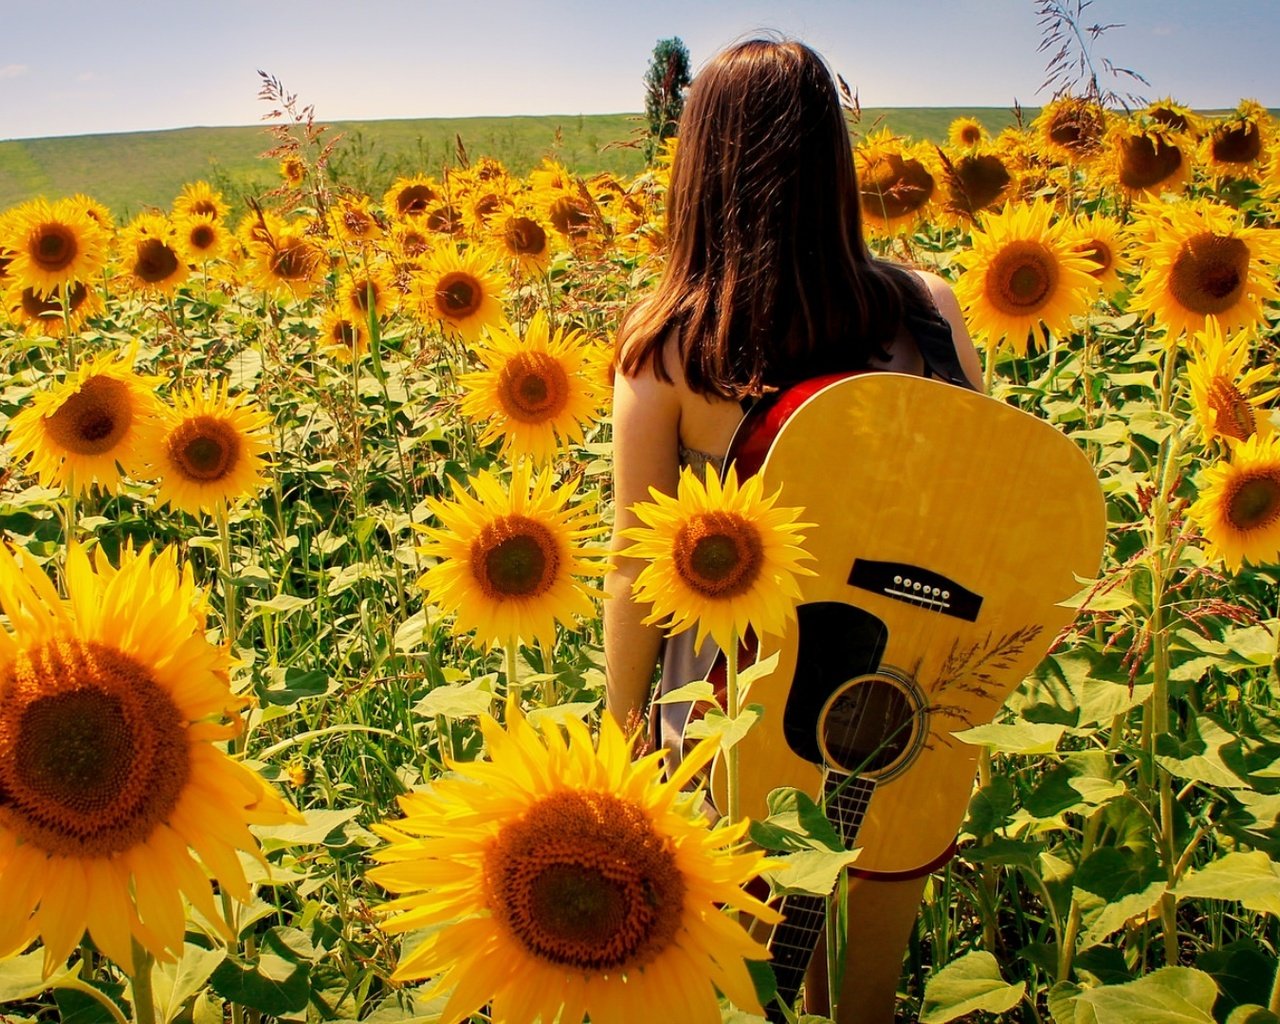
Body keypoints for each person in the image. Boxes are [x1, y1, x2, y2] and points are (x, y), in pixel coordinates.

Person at [602, 37, 983, 1024]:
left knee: (745, 991)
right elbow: (989, 503)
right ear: (832, 160)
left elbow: (633, 566)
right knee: (862, 995)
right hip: (906, 702)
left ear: (699, 167)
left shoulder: (668, 347)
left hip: (734, 716)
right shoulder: (926, 313)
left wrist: (621, 727)